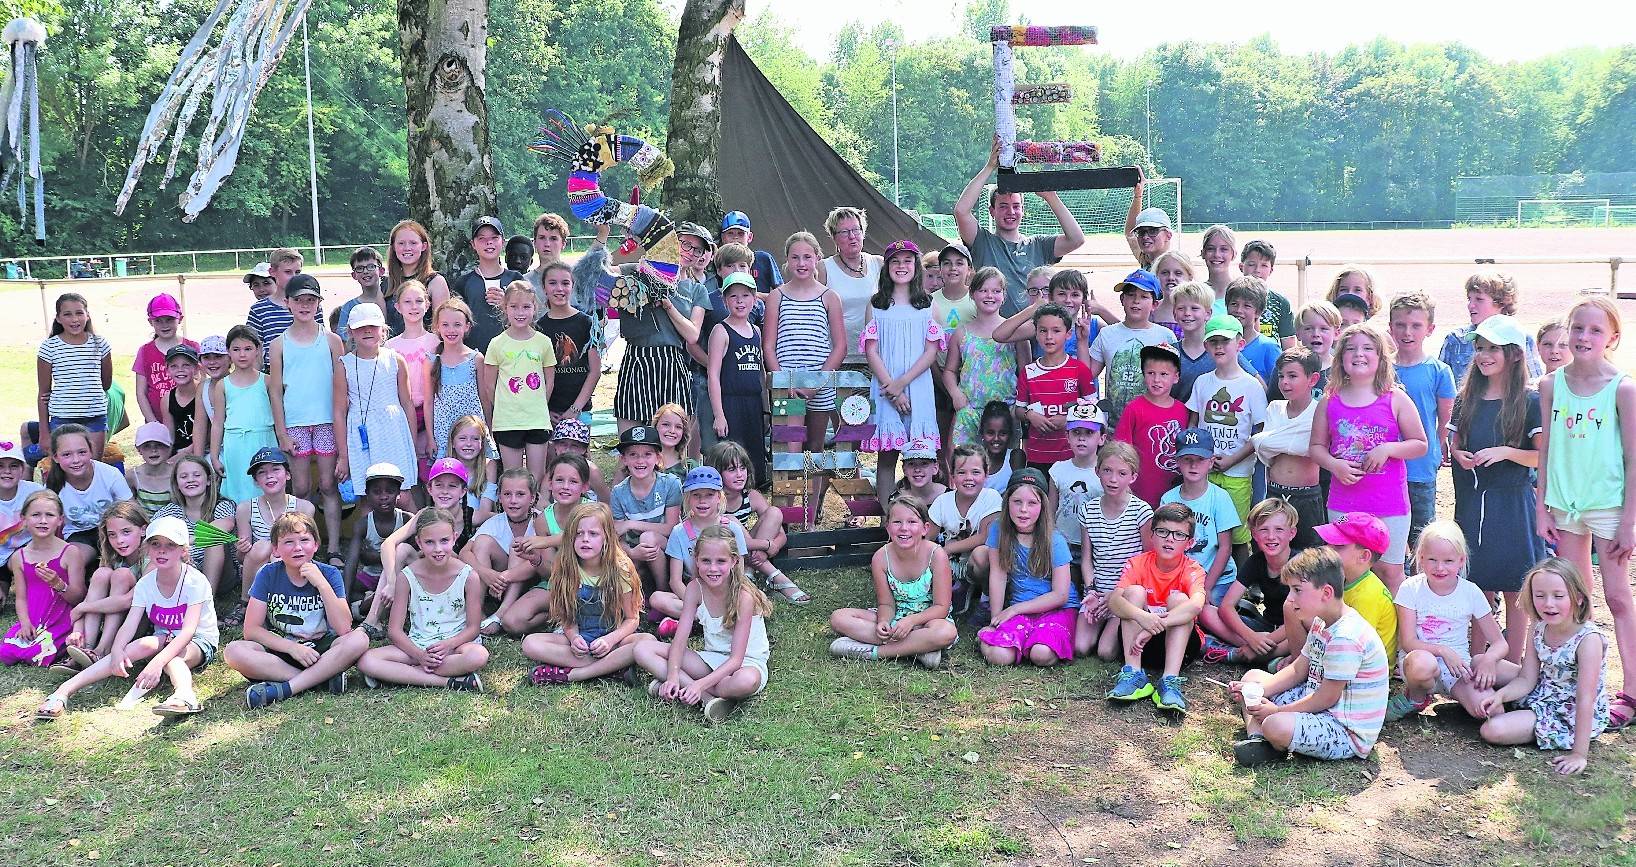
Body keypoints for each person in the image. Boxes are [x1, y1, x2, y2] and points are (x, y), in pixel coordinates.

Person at [1536, 296, 1636, 729]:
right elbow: (1547, 453)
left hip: (1608, 505)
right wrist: (1542, 506)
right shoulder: (1550, 385)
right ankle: (1585, 687)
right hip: (1564, 504)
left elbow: (1633, 457)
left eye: (1595, 330)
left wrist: (1630, 520)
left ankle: (1632, 689)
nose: (1583, 337)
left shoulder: (1623, 388)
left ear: (1612, 338)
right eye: (1578, 328)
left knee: (1616, 596)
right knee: (1578, 600)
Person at [36, 516, 217, 719]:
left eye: (171, 545)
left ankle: (185, 695)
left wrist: (157, 663)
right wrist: (116, 651)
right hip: (163, 637)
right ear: (147, 548)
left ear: (183, 551)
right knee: (136, 646)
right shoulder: (146, 584)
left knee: (171, 660)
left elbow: (188, 631)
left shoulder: (194, 581)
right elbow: (129, 625)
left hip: (197, 640)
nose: (162, 551)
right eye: (155, 544)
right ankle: (63, 691)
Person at [1229, 547, 1390, 766]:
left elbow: (1326, 698)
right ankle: (1259, 741)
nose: (1291, 599)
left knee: (1275, 724)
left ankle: (1269, 734)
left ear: (1326, 593)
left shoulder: (1346, 637)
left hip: (1343, 730)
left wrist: (1276, 711)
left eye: (1297, 590)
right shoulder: (1321, 622)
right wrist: (1258, 692)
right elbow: (1298, 670)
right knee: (1252, 679)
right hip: (1317, 706)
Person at [1449, 313, 1545, 663]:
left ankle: (1515, 664)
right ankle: (1475, 663)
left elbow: (1540, 456)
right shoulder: (1466, 397)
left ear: (1516, 354)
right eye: (1480, 347)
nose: (1484, 355)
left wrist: (1505, 452)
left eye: (1493, 348)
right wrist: (1457, 453)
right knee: (1478, 586)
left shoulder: (1529, 400)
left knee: (1515, 587)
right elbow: (1454, 439)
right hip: (1472, 503)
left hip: (1512, 504)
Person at [1310, 323, 1426, 592]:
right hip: (1345, 501)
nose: (1358, 354)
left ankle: (1395, 633)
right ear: (1340, 358)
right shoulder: (1330, 400)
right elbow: (1315, 447)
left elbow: (1420, 444)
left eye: (1367, 348)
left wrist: (1388, 449)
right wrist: (1334, 465)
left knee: (1389, 571)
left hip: (1389, 502)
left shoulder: (1395, 398)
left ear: (1381, 357)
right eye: (1350, 349)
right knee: (1345, 570)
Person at [1478, 558, 1610, 776]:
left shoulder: (1588, 640)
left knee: (1492, 730)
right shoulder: (1539, 627)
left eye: (1558, 596)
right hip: (1542, 688)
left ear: (1578, 598)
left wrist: (1579, 754)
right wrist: (1501, 696)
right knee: (1480, 663)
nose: (1549, 604)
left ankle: (1519, 719)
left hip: (1567, 711)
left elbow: (1586, 698)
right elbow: (1527, 678)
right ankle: (1494, 703)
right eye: (1540, 596)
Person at [226, 512, 370, 708]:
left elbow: (344, 627)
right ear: (275, 549)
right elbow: (251, 630)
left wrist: (322, 584)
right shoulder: (267, 574)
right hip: (280, 651)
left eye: (304, 540)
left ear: (316, 544)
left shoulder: (330, 573)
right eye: (288, 542)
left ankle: (286, 688)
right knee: (234, 650)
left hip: (321, 650)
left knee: (359, 638)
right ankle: (320, 680)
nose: (298, 548)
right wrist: (292, 648)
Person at [634, 523, 771, 722]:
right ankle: (706, 699)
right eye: (706, 561)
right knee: (642, 650)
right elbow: (680, 640)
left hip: (745, 665)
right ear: (696, 560)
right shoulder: (695, 588)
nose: (713, 568)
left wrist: (699, 684)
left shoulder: (743, 597)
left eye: (720, 561)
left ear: (733, 561)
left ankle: (689, 688)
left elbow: (736, 660)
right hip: (711, 659)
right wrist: (672, 675)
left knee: (746, 682)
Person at [1388, 521, 1516, 722]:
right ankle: (1416, 698)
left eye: (1448, 561)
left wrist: (1489, 660)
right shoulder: (1410, 588)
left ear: (1461, 560)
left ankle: (1505, 697)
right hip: (1421, 662)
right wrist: (1443, 651)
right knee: (1422, 664)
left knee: (1492, 711)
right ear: (1421, 558)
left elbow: (1500, 643)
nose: (1440, 568)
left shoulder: (1471, 592)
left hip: (1459, 668)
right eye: (1432, 559)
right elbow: (1408, 642)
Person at [357, 508, 488, 692]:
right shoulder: (407, 576)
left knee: (478, 656)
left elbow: (473, 628)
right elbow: (394, 631)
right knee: (366, 660)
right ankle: (448, 682)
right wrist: (419, 655)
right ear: (418, 542)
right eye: (429, 542)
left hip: (456, 646)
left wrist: (449, 645)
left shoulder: (468, 576)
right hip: (417, 646)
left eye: (444, 541)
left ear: (455, 537)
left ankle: (402, 675)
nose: (438, 549)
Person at [764, 231, 845, 526]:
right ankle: (783, 517)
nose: (801, 262)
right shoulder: (777, 296)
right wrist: (785, 383)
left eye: (807, 257)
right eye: (795, 257)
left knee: (815, 451)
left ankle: (811, 516)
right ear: (786, 260)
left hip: (820, 388)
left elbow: (839, 346)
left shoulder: (829, 297)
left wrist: (816, 383)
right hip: (788, 389)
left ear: (817, 259)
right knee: (789, 452)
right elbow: (769, 346)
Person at [523, 502, 653, 685]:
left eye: (593, 534)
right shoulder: (566, 568)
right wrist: (574, 637)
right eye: (579, 534)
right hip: (582, 640)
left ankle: (572, 674)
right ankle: (614, 667)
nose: (585, 539)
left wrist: (609, 640)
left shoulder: (620, 570)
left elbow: (632, 619)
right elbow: (567, 618)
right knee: (530, 644)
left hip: (614, 639)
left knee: (647, 641)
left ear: (606, 538)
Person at [269, 274, 347, 564]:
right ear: (287, 303)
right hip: (296, 425)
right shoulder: (278, 344)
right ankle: (302, 546)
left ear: (318, 304)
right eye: (298, 300)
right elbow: (275, 392)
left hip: (327, 422)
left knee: (328, 484)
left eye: (310, 300)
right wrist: (282, 432)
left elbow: (341, 387)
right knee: (300, 489)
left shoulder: (332, 341)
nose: (304, 305)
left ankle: (335, 546)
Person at [954, 146, 1086, 314]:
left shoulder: (1038, 245)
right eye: (1003, 206)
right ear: (992, 211)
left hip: (1037, 331)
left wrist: (1050, 196)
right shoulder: (982, 241)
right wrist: (989, 167)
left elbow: (1076, 239)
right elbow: (961, 211)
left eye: (1016, 206)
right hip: (996, 332)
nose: (1011, 212)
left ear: (1023, 210)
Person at [830, 494, 958, 666]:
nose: (904, 528)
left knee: (945, 632)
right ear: (888, 528)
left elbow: (941, 607)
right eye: (897, 522)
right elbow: (886, 604)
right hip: (896, 618)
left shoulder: (936, 555)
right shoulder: (881, 558)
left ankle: (875, 653)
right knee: (839, 617)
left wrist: (912, 621)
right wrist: (883, 621)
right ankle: (918, 650)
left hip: (928, 621)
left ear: (925, 528)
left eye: (912, 522)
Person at [861, 240, 944, 506]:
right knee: (887, 458)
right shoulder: (875, 306)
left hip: (917, 388)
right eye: (895, 261)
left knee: (921, 457)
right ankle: (888, 517)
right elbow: (871, 351)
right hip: (885, 390)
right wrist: (891, 388)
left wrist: (903, 384)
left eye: (907, 261)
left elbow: (931, 352)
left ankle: (922, 517)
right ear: (886, 267)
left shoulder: (928, 306)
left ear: (916, 266)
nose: (901, 266)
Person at [1105, 502, 1206, 712]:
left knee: (1179, 600)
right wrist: (1143, 618)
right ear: (1151, 535)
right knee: (1133, 592)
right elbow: (1114, 601)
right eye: (1162, 532)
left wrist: (1156, 625)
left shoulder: (1192, 569)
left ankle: (1170, 681)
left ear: (1190, 543)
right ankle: (1133, 673)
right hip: (1138, 645)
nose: (1169, 539)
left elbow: (1197, 605)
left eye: (1179, 535)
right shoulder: (1137, 563)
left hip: (1181, 646)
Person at [978, 469, 1078, 667]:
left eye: (1032, 503)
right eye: (1017, 502)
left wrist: (1013, 610)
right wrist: (995, 619)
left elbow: (1060, 595)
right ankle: (995, 639)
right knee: (1000, 657)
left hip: (1057, 608)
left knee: (1041, 654)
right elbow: (997, 576)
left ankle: (1030, 641)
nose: (1024, 509)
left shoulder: (1055, 540)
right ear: (1007, 502)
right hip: (1020, 608)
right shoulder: (999, 530)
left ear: (1043, 506)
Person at [1185, 314, 1266, 554]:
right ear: (1206, 345)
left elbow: (1260, 433)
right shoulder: (1202, 382)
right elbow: (1194, 423)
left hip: (1238, 472)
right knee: (1204, 528)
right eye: (1213, 342)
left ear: (1239, 344)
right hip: (1204, 470)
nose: (1219, 346)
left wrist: (1233, 459)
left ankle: (1241, 586)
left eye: (1225, 341)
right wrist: (1197, 459)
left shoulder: (1251, 386)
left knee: (1237, 533)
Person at [1161, 428, 1240, 646]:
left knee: (1203, 611)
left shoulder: (1219, 497)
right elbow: (1165, 547)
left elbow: (1225, 548)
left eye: (1200, 459)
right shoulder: (1169, 498)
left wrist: (1206, 588)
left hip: (1217, 579)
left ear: (1211, 461)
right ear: (1178, 461)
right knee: (1177, 609)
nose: (1193, 465)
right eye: (1187, 459)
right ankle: (1207, 640)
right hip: (1182, 580)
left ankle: (1241, 643)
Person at [1077, 441, 1154, 661]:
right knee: (1081, 647)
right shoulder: (1088, 510)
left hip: (1125, 594)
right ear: (1097, 471)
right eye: (1107, 471)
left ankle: (1121, 623)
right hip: (1097, 592)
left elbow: (1148, 561)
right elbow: (1086, 559)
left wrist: (1115, 596)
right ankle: (1102, 621)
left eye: (1121, 473)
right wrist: (1091, 590)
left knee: (1106, 652)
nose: (1113, 479)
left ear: (1132, 477)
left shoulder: (1141, 511)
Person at [226, 446, 315, 627]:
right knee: (263, 547)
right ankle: (246, 601)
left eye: (275, 469)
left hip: (293, 562)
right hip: (258, 567)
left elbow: (307, 549)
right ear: (256, 481)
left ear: (288, 475)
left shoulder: (304, 508)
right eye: (262, 472)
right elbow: (242, 558)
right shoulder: (245, 508)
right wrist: (242, 549)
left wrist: (282, 553)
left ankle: (276, 605)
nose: (269, 476)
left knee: (277, 550)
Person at [480, 282, 557, 488]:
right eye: (514, 306)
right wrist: (506, 407)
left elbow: (549, 380)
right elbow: (490, 385)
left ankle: (535, 516)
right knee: (513, 478)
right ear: (505, 308)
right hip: (508, 421)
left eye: (526, 307)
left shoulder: (543, 342)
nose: (520, 312)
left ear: (535, 308)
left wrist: (538, 404)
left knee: (536, 478)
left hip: (537, 420)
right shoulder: (497, 343)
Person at [652, 467, 751, 624]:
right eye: (696, 495)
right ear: (688, 499)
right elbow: (675, 581)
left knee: (749, 599)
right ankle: (704, 618)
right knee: (657, 599)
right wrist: (697, 603)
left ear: (719, 497)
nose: (702, 501)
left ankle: (691, 621)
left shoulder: (732, 528)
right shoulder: (679, 532)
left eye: (709, 495)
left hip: (726, 591)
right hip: (694, 592)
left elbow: (739, 573)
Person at [341, 303, 421, 498]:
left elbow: (407, 404)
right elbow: (338, 412)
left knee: (403, 496)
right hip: (362, 437)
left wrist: (411, 443)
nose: (367, 330)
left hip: (394, 432)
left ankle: (414, 528)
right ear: (350, 331)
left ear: (383, 330)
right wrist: (343, 455)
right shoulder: (345, 365)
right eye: (360, 327)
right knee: (369, 498)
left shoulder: (395, 360)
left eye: (373, 326)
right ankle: (368, 530)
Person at [706, 441, 798, 603]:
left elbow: (780, 534)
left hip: (748, 551)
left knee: (775, 512)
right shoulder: (712, 501)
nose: (740, 474)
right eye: (731, 469)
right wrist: (765, 545)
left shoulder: (752, 496)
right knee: (731, 521)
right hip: (725, 555)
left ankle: (749, 571)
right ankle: (775, 575)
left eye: (743, 468)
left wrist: (771, 547)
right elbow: (729, 542)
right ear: (716, 472)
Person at [1252, 348, 1325, 549]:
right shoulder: (1275, 407)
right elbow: (1262, 446)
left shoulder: (1319, 411)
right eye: (1281, 376)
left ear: (1313, 379)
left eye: (1293, 376)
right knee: (1269, 550)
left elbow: (1313, 449)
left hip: (1306, 496)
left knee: (1308, 555)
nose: (1284, 382)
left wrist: (1267, 441)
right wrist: (1265, 441)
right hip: (1274, 492)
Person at [1, 490, 83, 666]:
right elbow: (21, 598)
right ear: (24, 519)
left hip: (60, 617)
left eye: (50, 515)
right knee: (7, 653)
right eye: (36, 515)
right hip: (33, 618)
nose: (43, 521)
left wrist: (58, 584)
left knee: (38, 654)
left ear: (60, 520)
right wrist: (24, 623)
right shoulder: (19, 557)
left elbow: (79, 597)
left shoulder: (70, 552)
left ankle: (60, 645)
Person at [1216, 498, 1300, 665]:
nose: (1271, 536)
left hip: (1292, 631)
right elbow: (1226, 606)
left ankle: (1251, 653)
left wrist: (1265, 640)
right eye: (1263, 530)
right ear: (1254, 535)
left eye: (1279, 529)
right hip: (1266, 626)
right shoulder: (1256, 561)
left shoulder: (1302, 564)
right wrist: (1252, 637)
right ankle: (1259, 652)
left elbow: (1303, 617)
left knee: (1305, 631)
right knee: (1206, 612)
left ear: (1292, 533)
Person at [1014, 303, 1095, 475]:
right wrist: (1030, 415)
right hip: (1038, 457)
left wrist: (1069, 418)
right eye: (1043, 331)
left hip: (1072, 457)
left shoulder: (1079, 370)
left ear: (1068, 334)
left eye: (1056, 331)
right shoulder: (1028, 372)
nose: (1049, 336)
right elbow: (1018, 409)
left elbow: (1093, 409)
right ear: (1036, 333)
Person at [945, 267, 1022, 448]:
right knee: (961, 463)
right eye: (983, 290)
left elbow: (1025, 370)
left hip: (1005, 411)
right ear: (972, 293)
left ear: (1004, 295)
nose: (990, 296)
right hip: (969, 409)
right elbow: (949, 370)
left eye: (996, 291)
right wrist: (956, 394)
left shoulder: (1016, 332)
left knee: (1004, 466)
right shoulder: (962, 333)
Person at [1088, 270, 1175, 427]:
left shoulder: (1166, 337)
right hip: (1113, 428)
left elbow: (1173, 381)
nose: (1136, 301)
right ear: (1122, 299)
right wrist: (1082, 341)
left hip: (1150, 424)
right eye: (1131, 295)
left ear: (1155, 304)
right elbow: (1088, 374)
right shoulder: (1107, 333)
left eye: (1144, 296)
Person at [1309, 512, 1399, 662]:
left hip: (1362, 672)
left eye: (1338, 546)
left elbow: (1354, 642)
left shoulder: (1368, 594)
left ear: (1364, 556)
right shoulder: (1343, 579)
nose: (1327, 549)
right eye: (1328, 543)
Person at [64, 502, 145, 667]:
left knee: (121, 575)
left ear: (143, 530)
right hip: (117, 620)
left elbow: (127, 601)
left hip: (140, 622)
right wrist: (77, 630)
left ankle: (103, 650)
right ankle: (86, 648)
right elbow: (90, 599)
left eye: (126, 532)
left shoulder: (151, 557)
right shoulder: (114, 558)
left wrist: (82, 608)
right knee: (102, 574)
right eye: (112, 535)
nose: (120, 540)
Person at [465, 468, 544, 635]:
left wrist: (503, 577)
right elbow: (465, 552)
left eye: (520, 494)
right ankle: (478, 612)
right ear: (499, 498)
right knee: (482, 542)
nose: (513, 500)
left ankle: (500, 614)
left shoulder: (541, 521)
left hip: (534, 579)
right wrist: (486, 573)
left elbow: (541, 561)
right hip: (499, 582)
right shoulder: (495, 521)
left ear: (532, 498)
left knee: (518, 545)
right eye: (507, 494)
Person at [36, 292, 113, 460]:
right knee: (66, 468)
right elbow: (43, 393)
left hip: (95, 417)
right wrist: (44, 432)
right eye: (67, 314)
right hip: (62, 418)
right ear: (58, 318)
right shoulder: (49, 347)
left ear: (87, 315)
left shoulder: (100, 344)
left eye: (79, 313)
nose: (74, 319)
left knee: (92, 466)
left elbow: (106, 383)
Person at [708, 273, 768, 488]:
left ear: (754, 299)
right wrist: (719, 415)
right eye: (733, 296)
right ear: (725, 301)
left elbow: (760, 372)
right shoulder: (721, 331)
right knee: (732, 454)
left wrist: (766, 408)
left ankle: (751, 494)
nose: (740, 301)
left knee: (753, 455)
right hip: (731, 402)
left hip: (753, 403)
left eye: (745, 295)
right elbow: (713, 374)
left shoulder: (756, 331)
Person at [609, 425, 682, 601]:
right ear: (623, 459)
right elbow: (616, 537)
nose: (640, 461)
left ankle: (663, 589)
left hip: (668, 546)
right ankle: (643, 592)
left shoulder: (670, 484)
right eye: (633, 454)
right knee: (619, 573)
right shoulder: (619, 492)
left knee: (648, 538)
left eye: (647, 454)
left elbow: (672, 528)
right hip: (635, 550)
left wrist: (631, 524)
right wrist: (633, 553)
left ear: (658, 458)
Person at [930, 444, 1001, 616]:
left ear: (986, 474)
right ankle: (957, 586)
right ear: (952, 475)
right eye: (961, 472)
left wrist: (945, 550)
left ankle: (986, 599)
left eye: (976, 472)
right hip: (949, 564)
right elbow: (927, 538)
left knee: (983, 553)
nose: (969, 478)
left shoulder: (991, 497)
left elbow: (985, 536)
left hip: (976, 562)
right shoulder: (942, 501)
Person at [1439, 272, 1544, 386]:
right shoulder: (1456, 339)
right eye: (1469, 299)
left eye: (1479, 299)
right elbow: (1439, 384)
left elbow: (1534, 383)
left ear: (1501, 303)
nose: (1470, 305)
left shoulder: (1522, 338)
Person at [210, 326, 277, 504]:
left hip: (264, 442)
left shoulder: (267, 381)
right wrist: (215, 456)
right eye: (236, 349)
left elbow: (278, 416)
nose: (242, 355)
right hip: (236, 446)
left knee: (265, 487)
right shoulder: (223, 386)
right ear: (228, 352)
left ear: (257, 350)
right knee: (240, 492)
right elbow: (217, 423)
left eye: (248, 349)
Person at [1114, 344, 1186, 508]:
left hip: (1174, 492)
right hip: (1139, 492)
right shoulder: (1134, 408)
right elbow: (1121, 451)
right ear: (1143, 375)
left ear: (1176, 377)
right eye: (1151, 373)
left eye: (1164, 374)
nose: (1156, 380)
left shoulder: (1183, 410)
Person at [44, 424, 130, 561]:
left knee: (119, 563)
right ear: (55, 457)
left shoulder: (110, 475)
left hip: (114, 530)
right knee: (73, 560)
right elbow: (47, 525)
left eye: (82, 452)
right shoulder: (52, 487)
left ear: (91, 451)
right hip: (79, 535)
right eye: (66, 454)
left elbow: (130, 511)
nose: (76, 460)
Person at [153, 455, 237, 592]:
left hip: (221, 573)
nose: (190, 480)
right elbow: (152, 533)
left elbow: (226, 525)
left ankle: (207, 600)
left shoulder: (221, 505)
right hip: (185, 568)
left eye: (196, 475)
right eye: (184, 476)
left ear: (209, 480)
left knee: (214, 540)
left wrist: (186, 541)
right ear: (177, 484)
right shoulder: (172, 511)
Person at [443, 216, 525, 351]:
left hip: (511, 354)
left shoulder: (515, 279)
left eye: (494, 238)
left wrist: (506, 303)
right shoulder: (464, 283)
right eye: (482, 239)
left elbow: (528, 316)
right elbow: (455, 321)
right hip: (474, 355)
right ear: (473, 245)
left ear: (503, 242)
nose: (489, 243)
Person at [385, 281, 440, 481]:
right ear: (398, 307)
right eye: (407, 302)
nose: (414, 306)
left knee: (429, 469)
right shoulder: (390, 346)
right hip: (402, 415)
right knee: (409, 470)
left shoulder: (436, 342)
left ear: (427, 304)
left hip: (430, 414)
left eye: (419, 301)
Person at [535, 261, 601, 426]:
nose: (559, 289)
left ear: (573, 286)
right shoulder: (537, 328)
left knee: (578, 452)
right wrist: (544, 409)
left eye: (565, 283)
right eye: (552, 283)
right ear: (544, 287)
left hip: (580, 410)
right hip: (549, 412)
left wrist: (576, 408)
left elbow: (595, 371)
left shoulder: (588, 323)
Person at [815, 207, 883, 358]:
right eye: (844, 232)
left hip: (876, 356)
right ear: (834, 237)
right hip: (837, 357)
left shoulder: (879, 263)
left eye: (856, 230)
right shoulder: (823, 268)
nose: (852, 236)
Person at [428, 298, 490, 463]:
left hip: (472, 430)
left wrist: (488, 430)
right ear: (437, 327)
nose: (451, 330)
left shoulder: (476, 359)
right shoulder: (432, 360)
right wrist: (430, 437)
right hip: (444, 431)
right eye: (445, 324)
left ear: (467, 326)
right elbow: (429, 402)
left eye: (457, 324)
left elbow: (484, 399)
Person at [1171, 281, 1252, 403]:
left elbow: (1257, 383)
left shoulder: (1223, 350)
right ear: (1174, 314)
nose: (1187, 313)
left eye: (1194, 308)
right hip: (1175, 420)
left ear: (1208, 314)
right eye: (1181, 308)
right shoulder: (1169, 353)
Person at [1051, 404, 1106, 563]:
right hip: (1063, 543)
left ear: (1102, 438)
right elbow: (1051, 510)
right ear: (1067, 436)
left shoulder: (1107, 472)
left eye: (1089, 433)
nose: (1082, 438)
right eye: (1076, 432)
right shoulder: (1058, 470)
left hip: (1096, 545)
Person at [132, 293, 197, 424]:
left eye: (169, 319)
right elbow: (141, 393)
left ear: (180, 318)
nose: (164, 325)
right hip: (157, 421)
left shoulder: (193, 347)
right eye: (158, 320)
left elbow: (201, 385)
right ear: (150, 321)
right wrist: (153, 423)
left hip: (190, 422)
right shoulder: (145, 351)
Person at [246, 248, 308, 371]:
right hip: (273, 372)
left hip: (305, 368)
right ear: (273, 272)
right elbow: (254, 348)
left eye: (298, 272)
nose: (294, 277)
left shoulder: (311, 305)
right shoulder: (258, 310)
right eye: (288, 272)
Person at [387, 220, 450, 333]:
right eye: (401, 243)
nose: (407, 248)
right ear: (394, 247)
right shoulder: (386, 285)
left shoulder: (435, 282)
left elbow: (443, 326)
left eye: (413, 243)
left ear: (423, 246)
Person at [0, 440, 44, 598]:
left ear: (23, 469)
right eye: (0, 466)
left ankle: (28, 587)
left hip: (26, 552)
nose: (7, 471)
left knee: (35, 590)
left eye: (13, 466)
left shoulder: (35, 493)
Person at [1224, 278, 1283, 384]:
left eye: (1247, 306)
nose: (1238, 310)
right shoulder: (1218, 344)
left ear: (1258, 312)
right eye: (1234, 304)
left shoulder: (1269, 347)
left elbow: (1278, 389)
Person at [1237, 241, 1294, 346]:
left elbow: (1288, 345)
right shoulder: (1232, 299)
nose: (1257, 270)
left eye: (1264, 265)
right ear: (1241, 267)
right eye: (1251, 264)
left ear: (1271, 270)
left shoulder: (1280, 303)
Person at [335, 246, 390, 351]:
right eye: (359, 268)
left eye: (371, 266)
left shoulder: (392, 302)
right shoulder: (349, 307)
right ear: (354, 275)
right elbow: (344, 343)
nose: (365, 271)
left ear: (381, 271)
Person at [719, 210, 783, 294]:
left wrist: (755, 296)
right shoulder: (720, 261)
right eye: (730, 233)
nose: (735, 238)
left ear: (749, 237)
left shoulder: (763, 259)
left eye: (740, 233)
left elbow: (781, 292)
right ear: (723, 238)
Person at [189, 335, 231, 459]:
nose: (212, 362)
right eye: (207, 357)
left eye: (218, 356)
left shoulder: (237, 383)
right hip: (217, 450)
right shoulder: (203, 388)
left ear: (230, 358)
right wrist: (198, 460)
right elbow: (199, 427)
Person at [1124, 172, 1174, 270]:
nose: (1145, 236)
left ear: (1168, 235)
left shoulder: (1177, 266)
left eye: (1153, 231)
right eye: (1141, 232)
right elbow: (1130, 233)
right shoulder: (1146, 259)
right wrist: (1138, 195)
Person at [127, 422, 177, 514]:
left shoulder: (177, 475)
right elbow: (130, 510)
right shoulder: (133, 476)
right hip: (143, 525)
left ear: (169, 447)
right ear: (138, 449)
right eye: (146, 446)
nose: (153, 450)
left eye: (159, 445)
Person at [1294, 300, 1341, 393]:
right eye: (1308, 328)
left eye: (1324, 329)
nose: (1316, 334)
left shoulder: (1342, 371)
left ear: (1336, 333)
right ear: (1298, 333)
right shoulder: (1286, 367)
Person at [161, 344, 200, 454]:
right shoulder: (167, 398)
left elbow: (209, 433)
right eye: (174, 366)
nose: (180, 370)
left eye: (186, 365)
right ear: (167, 370)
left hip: (202, 449)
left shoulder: (204, 393)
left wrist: (186, 452)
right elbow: (169, 437)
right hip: (178, 451)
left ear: (196, 368)